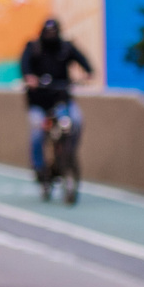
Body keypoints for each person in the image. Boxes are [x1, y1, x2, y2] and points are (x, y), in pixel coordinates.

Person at [18, 17, 94, 179]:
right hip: (39, 101)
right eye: (48, 32)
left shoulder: (65, 47)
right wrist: (29, 78)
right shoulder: (33, 47)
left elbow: (83, 60)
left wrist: (88, 72)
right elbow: (24, 65)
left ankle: (67, 155)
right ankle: (39, 166)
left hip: (61, 98)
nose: (51, 35)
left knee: (76, 121)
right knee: (38, 129)